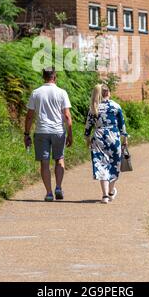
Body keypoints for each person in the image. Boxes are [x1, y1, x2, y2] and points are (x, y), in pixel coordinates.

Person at [24, 67, 73, 202]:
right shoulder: (62, 92)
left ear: (43, 77)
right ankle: (58, 187)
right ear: (55, 77)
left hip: (41, 132)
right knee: (59, 159)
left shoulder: (36, 93)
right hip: (58, 131)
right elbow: (67, 116)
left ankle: (49, 193)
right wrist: (70, 134)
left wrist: (26, 134)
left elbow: (29, 117)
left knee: (44, 163)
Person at [85, 84, 128, 204]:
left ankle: (104, 196)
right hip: (113, 136)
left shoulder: (94, 107)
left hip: (98, 136)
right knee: (114, 164)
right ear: (108, 93)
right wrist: (125, 139)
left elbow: (88, 126)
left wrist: (87, 138)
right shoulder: (115, 106)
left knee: (101, 164)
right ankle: (110, 191)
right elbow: (122, 124)